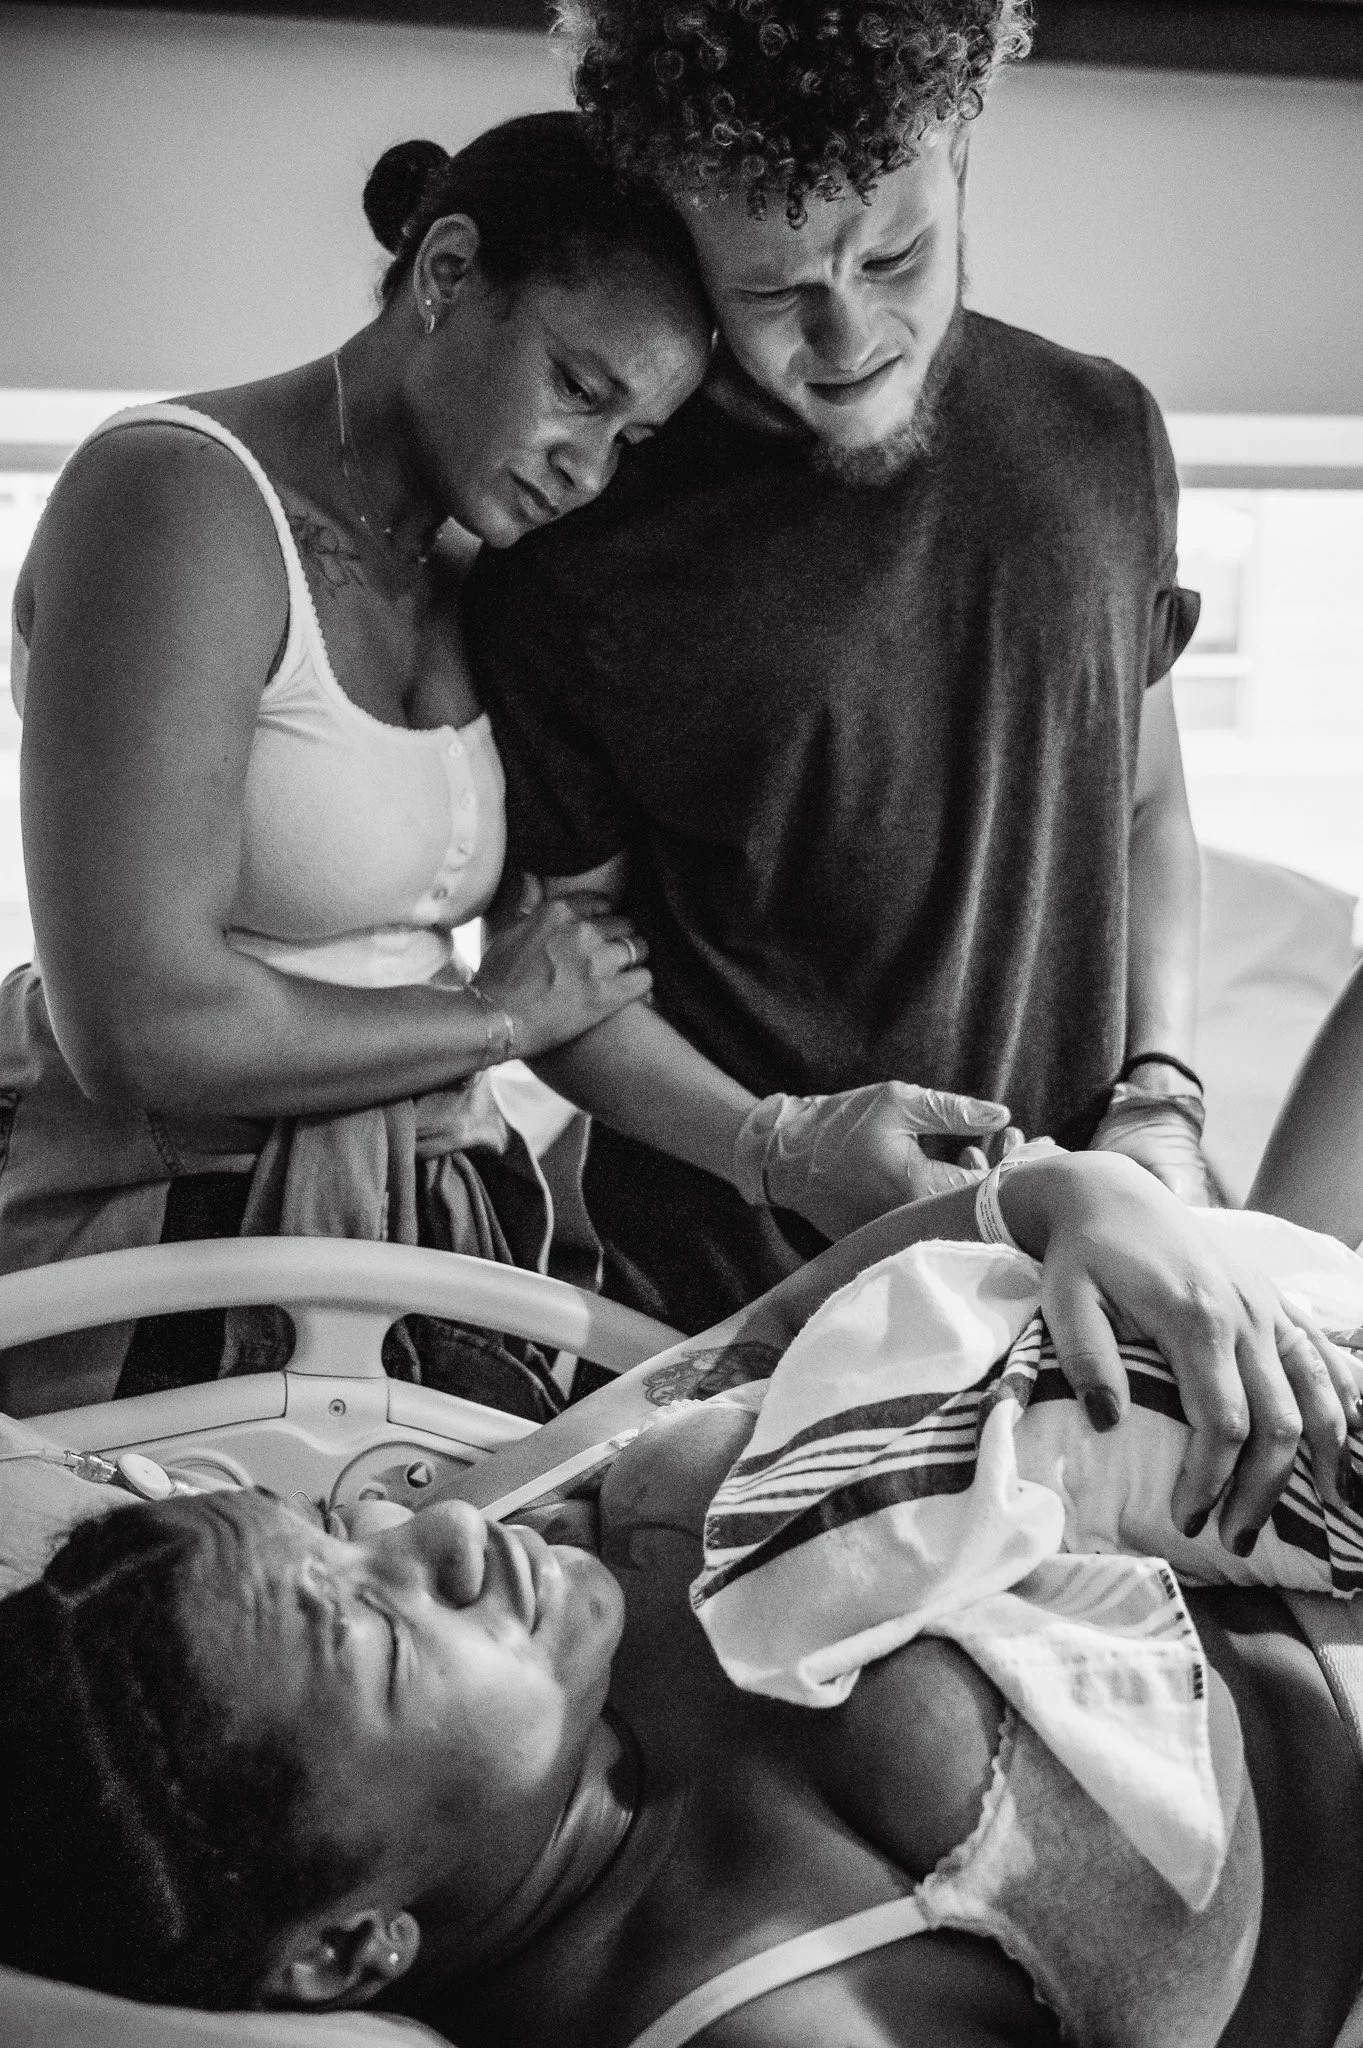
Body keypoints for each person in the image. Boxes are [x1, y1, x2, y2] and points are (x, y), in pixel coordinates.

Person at [3, 1147, 1362, 2048]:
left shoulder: (546, 1570)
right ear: (348, 1949)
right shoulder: (763, 2014)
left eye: (328, 1527)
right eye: (376, 1630)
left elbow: (779, 1326)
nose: (440, 1532)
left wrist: (1074, 1199)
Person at [461, 0, 1217, 1340]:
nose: (846, 333)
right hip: (727, 1322)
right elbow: (558, 987)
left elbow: (1148, 810)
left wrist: (1160, 1093)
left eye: (897, 255)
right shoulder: (581, 540)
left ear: (961, 167)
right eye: (771, 291)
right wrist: (782, 1145)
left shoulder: (1105, 431)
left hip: (1066, 1295)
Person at [0, 112, 708, 1412]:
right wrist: (492, 1019)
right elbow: (141, 1026)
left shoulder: (476, 573)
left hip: (422, 1222)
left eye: (634, 438)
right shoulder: (175, 499)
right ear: (445, 275)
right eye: (578, 389)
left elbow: (564, 952)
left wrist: (782, 1147)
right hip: (152, 1233)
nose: (588, 466)